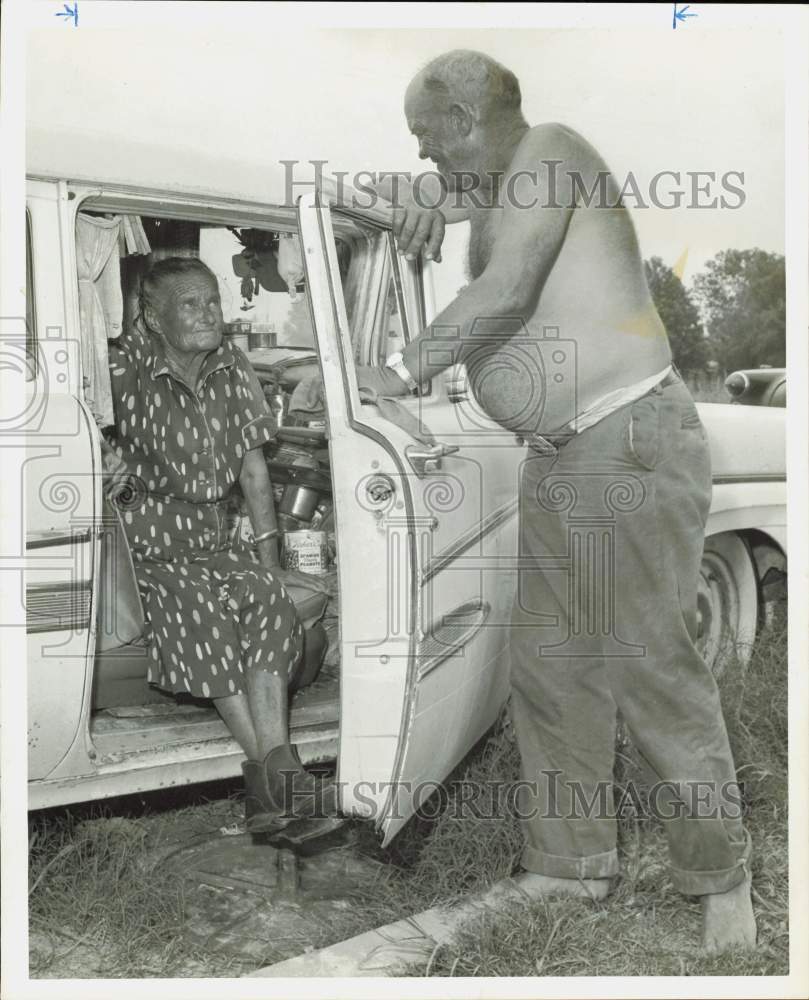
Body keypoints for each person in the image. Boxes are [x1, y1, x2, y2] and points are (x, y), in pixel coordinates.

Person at [356, 50, 756, 953]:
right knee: (551, 663)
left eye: (428, 141)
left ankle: (722, 885)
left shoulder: (552, 150)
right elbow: (435, 199)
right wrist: (417, 194)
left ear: (462, 117)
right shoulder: (498, 181)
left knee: (645, 660)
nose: (427, 159)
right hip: (566, 451)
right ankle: (568, 868)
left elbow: (506, 291)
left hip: (627, 436)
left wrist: (396, 373)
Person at [103, 256, 334, 847]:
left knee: (267, 600)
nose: (209, 314)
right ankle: (284, 785)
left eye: (213, 301)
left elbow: (253, 470)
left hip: (211, 537)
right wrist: (109, 468)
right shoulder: (118, 368)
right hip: (146, 544)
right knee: (203, 610)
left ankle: (272, 787)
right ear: (153, 318)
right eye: (191, 304)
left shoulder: (230, 362)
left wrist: (270, 556)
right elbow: (100, 462)